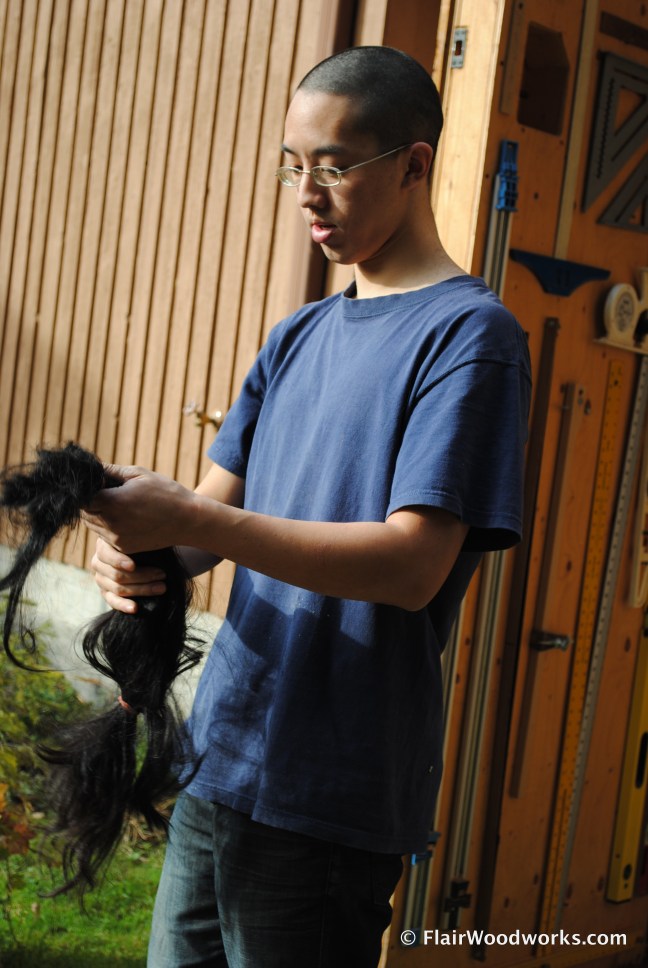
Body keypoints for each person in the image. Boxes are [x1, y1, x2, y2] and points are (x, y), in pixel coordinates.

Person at [85, 46, 531, 968]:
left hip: (331, 794)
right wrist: (139, 541)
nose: (306, 194)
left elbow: (412, 567)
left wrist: (193, 522)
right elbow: (206, 527)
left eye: (333, 167)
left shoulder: (469, 337)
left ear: (413, 165)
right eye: (292, 165)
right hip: (222, 759)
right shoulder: (298, 334)